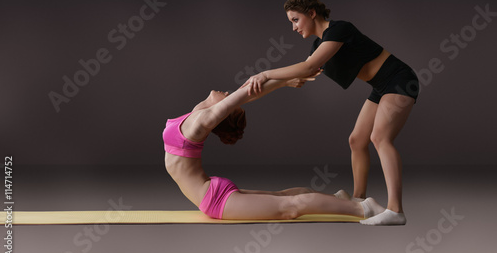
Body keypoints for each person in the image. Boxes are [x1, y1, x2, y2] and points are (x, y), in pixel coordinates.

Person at [241, 0, 419, 225]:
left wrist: (264, 73)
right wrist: (252, 91)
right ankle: (359, 200)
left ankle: (396, 211)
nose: (293, 28)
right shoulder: (320, 44)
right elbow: (304, 72)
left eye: (295, 20)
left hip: (399, 80)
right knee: (356, 140)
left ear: (312, 13)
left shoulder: (339, 30)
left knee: (380, 138)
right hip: (381, 86)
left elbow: (308, 65)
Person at [162, 77, 385, 221]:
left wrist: (284, 80)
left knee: (289, 208)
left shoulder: (202, 121)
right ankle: (338, 198)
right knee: (280, 196)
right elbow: (245, 92)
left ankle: (364, 209)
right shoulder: (197, 115)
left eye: (231, 103)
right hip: (211, 192)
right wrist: (279, 82)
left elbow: (247, 93)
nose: (229, 94)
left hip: (213, 200)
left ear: (222, 113)